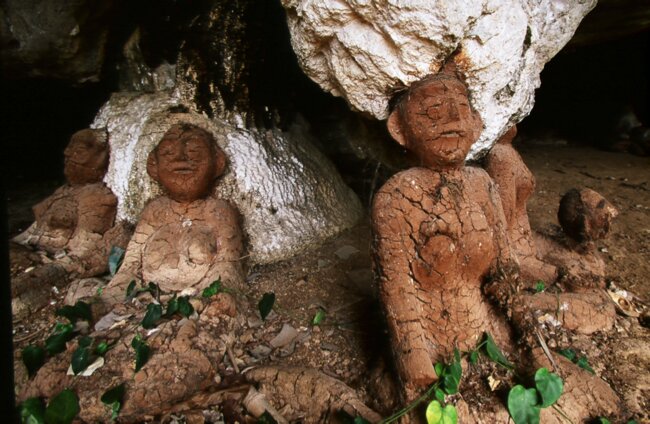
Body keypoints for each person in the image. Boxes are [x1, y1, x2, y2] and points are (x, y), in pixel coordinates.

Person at [372, 65, 512, 401]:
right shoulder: (396, 196)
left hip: (489, 334)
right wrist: (414, 357)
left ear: (476, 124)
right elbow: (397, 288)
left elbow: (506, 267)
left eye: (462, 109)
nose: (450, 119)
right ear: (399, 128)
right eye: (432, 110)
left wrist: (523, 328)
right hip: (432, 343)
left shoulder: (482, 184)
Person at [101, 123, 245, 304]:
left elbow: (227, 267)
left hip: (197, 298)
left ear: (217, 162)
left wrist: (208, 299)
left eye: (195, 153)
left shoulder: (217, 212)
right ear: (153, 166)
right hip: (148, 298)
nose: (181, 160)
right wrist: (112, 296)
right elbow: (130, 265)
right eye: (168, 153)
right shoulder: (155, 211)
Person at [11, 129, 129, 316]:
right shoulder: (63, 192)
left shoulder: (95, 198)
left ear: (99, 159)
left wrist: (41, 264)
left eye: (79, 151)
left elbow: (84, 250)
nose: (67, 153)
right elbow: (30, 233)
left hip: (52, 263)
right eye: (69, 148)